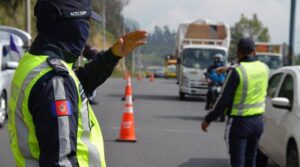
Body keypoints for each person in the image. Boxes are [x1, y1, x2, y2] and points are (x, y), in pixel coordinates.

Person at [8, 0, 147, 167]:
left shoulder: (34, 62)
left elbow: (77, 85)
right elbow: (61, 161)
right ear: (70, 25)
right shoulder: (55, 81)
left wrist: (112, 55)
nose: (87, 30)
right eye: (85, 22)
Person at [201, 38, 269, 167]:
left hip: (239, 123)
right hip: (258, 123)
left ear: (238, 52)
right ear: (254, 51)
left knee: (237, 163)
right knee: (251, 161)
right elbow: (250, 69)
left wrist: (208, 119)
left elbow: (223, 101)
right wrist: (227, 68)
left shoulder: (236, 71)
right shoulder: (265, 68)